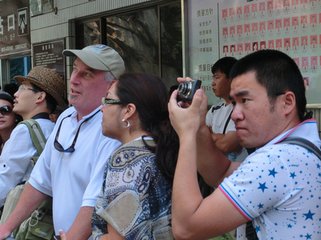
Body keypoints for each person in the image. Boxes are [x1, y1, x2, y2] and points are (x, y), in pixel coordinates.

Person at [168, 49, 321, 239]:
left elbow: (186, 228)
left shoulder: (276, 160)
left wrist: (186, 134)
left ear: (287, 102)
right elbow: (221, 173)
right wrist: (199, 126)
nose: (235, 114)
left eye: (245, 100)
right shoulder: (301, 149)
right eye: (234, 102)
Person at [0, 44, 124, 239]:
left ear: (112, 85)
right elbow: (40, 181)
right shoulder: (66, 117)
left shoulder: (112, 130)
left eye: (87, 74)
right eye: (75, 69)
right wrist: (6, 227)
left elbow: (93, 203)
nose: (74, 80)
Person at [86, 73, 178, 239]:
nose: (102, 108)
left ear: (128, 111)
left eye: (107, 100)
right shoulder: (160, 150)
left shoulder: (126, 160)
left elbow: (117, 237)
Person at [0, 66, 66, 208]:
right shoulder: (54, 127)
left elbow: (6, 180)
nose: (16, 94)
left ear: (40, 97)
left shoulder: (25, 130)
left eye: (23, 88)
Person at [206, 57, 247, 162]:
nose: (213, 83)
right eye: (213, 78)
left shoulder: (243, 109)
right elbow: (201, 139)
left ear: (231, 79)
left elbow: (226, 145)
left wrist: (209, 134)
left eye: (217, 77)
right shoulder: (214, 109)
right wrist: (219, 137)